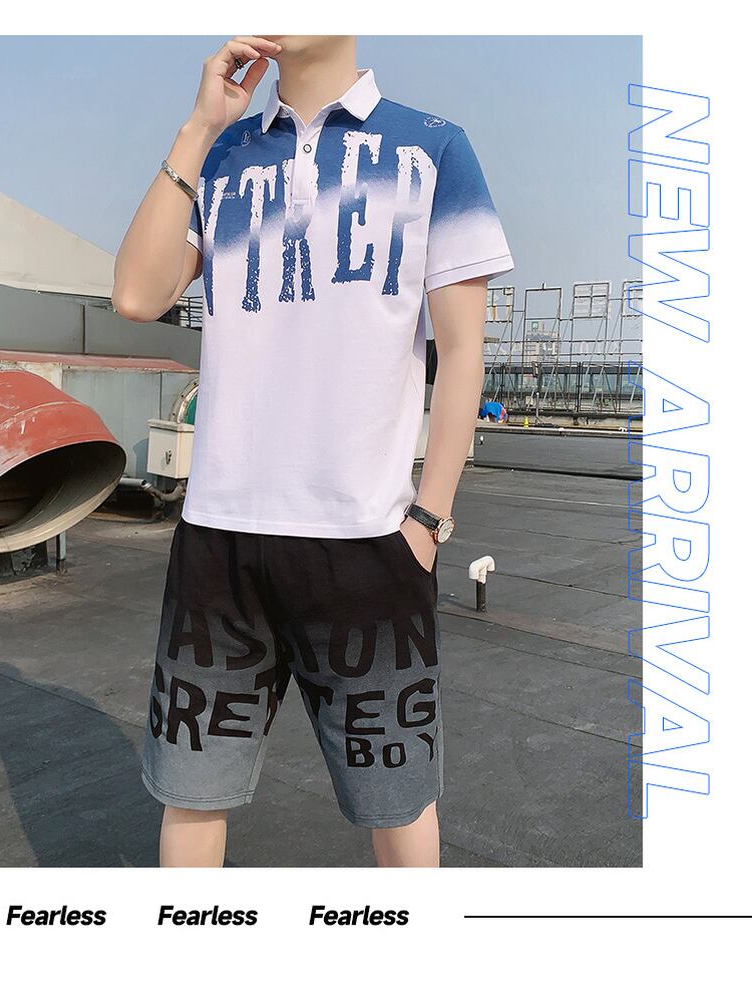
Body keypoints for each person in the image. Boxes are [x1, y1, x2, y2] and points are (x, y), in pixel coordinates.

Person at [112, 34, 513, 867]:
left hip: (367, 541)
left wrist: (429, 520)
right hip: (218, 538)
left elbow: (461, 352)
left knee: (399, 803)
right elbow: (138, 296)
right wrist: (198, 126)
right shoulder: (224, 154)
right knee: (191, 795)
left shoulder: (432, 147)